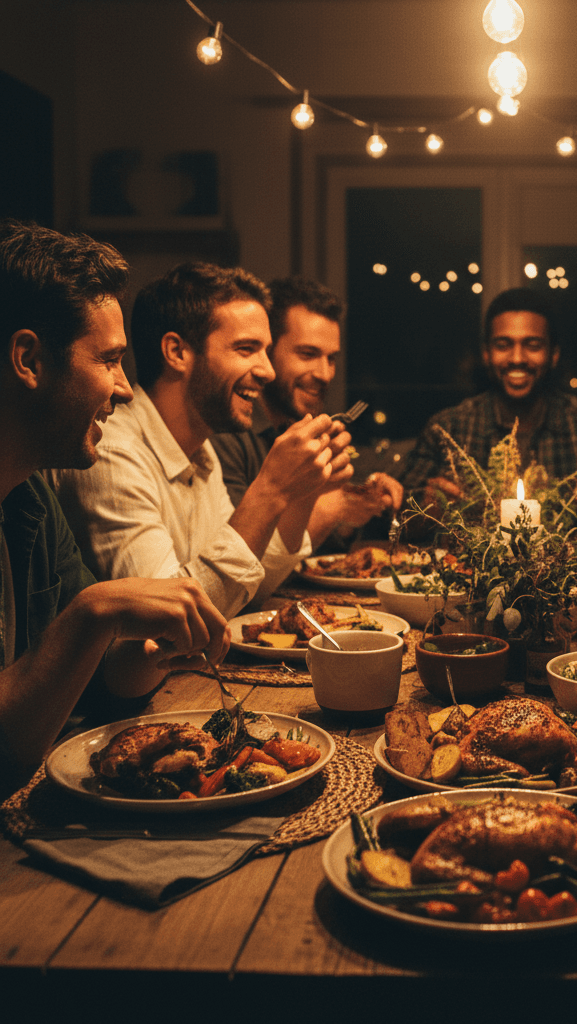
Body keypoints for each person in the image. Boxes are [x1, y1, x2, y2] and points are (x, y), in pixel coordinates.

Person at [0, 221, 228, 781]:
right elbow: (5, 750)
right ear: (28, 360)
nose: (125, 387)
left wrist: (151, 646)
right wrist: (96, 611)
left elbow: (106, 678)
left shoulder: (30, 495)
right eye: (109, 359)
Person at [51, 262, 352, 619]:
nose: (267, 371)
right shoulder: (114, 452)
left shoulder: (201, 448)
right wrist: (270, 489)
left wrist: (302, 493)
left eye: (265, 351)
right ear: (177, 352)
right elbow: (167, 623)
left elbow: (244, 585)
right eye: (246, 349)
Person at [400, 287, 577, 533]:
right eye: (503, 344)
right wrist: (428, 507)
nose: (517, 358)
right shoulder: (447, 428)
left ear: (553, 355)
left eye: (532, 345)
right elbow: (399, 519)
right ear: (486, 353)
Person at [211, 276, 402, 549]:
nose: (325, 374)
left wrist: (358, 501)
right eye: (308, 354)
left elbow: (326, 553)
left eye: (331, 358)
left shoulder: (308, 431)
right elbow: (237, 557)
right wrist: (333, 507)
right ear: (268, 350)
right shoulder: (226, 435)